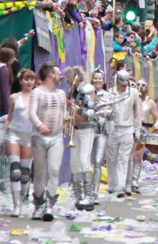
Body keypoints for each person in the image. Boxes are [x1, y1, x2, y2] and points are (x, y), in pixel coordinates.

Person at [28, 62, 66, 221]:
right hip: (39, 138)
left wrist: (67, 120)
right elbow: (31, 112)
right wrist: (40, 125)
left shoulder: (62, 94)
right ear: (51, 75)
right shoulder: (37, 92)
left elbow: (63, 113)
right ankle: (38, 204)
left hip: (56, 137)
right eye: (58, 73)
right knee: (39, 173)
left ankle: (49, 205)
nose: (60, 76)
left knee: (54, 169)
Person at [0, 69, 35, 217]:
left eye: (32, 79)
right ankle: (16, 205)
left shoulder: (38, 97)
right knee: (15, 171)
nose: (29, 82)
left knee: (25, 173)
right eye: (26, 79)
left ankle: (22, 198)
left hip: (30, 137)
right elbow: (9, 117)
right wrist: (1, 137)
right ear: (21, 81)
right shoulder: (14, 97)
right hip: (13, 135)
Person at [104, 69, 143, 198]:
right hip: (113, 129)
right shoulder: (110, 93)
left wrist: (137, 131)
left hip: (127, 128)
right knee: (111, 158)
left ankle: (121, 186)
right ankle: (112, 186)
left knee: (124, 158)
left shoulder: (133, 93)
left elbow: (137, 113)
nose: (123, 86)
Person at [65, 67, 96, 211]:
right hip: (75, 129)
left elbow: (91, 112)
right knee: (74, 162)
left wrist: (76, 108)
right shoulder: (73, 91)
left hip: (86, 129)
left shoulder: (86, 89)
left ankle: (89, 195)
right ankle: (78, 194)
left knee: (84, 160)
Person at [128, 78, 158, 194]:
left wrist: (156, 124)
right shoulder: (130, 98)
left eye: (143, 84)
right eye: (137, 84)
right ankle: (126, 180)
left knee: (138, 157)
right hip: (129, 129)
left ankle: (134, 181)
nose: (140, 86)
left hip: (143, 130)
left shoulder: (149, 102)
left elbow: (157, 117)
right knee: (127, 156)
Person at [88, 69, 111, 203]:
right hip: (87, 130)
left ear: (103, 81)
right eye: (95, 78)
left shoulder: (108, 96)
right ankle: (84, 190)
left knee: (97, 161)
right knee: (85, 161)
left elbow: (114, 114)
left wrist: (109, 113)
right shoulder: (85, 93)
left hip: (102, 130)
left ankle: (94, 191)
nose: (97, 80)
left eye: (100, 78)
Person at [0, 48, 15, 120]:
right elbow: (5, 90)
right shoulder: (4, 70)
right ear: (9, 58)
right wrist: (8, 109)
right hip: (0, 105)